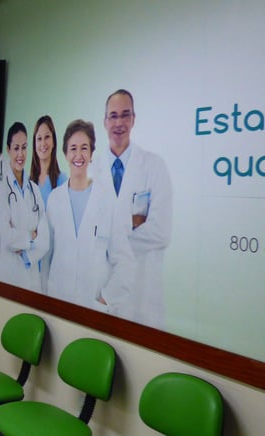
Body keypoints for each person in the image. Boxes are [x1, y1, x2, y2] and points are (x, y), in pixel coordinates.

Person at [96, 89, 173, 328]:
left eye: (125, 115)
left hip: (142, 297)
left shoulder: (154, 166)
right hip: (99, 291)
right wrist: (132, 223)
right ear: (105, 121)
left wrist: (109, 235)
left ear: (133, 119)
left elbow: (160, 231)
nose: (119, 122)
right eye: (113, 116)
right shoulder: (91, 169)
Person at [46, 119, 134, 316]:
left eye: (84, 148)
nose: (78, 155)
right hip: (57, 300)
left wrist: (106, 299)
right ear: (65, 154)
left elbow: (125, 261)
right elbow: (46, 255)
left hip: (92, 307)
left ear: (92, 153)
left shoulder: (107, 200)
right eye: (73, 148)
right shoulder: (54, 199)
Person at [0, 122, 49, 292]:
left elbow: (45, 238)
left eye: (24, 147)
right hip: (10, 274)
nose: (20, 154)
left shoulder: (34, 190)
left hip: (31, 273)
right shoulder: (2, 189)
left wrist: (26, 252)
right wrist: (31, 236)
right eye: (16, 148)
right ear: (8, 149)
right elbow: (6, 236)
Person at [30, 115, 68, 292]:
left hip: (53, 260)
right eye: (39, 138)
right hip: (30, 260)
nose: (43, 143)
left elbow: (63, 228)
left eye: (47, 137)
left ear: (53, 142)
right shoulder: (28, 182)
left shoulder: (62, 181)